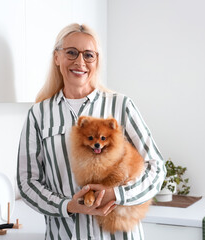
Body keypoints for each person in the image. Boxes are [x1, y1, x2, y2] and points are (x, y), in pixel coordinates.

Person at [17, 23, 166, 240]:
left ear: (96, 62)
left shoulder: (121, 106)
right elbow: (27, 182)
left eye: (89, 55)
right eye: (71, 53)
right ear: (57, 57)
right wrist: (67, 206)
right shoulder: (38, 115)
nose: (80, 62)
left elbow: (156, 168)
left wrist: (117, 194)